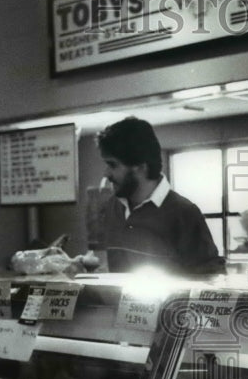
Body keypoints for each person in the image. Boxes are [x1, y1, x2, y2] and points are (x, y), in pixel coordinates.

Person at [96, 116, 225, 276]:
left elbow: (212, 279)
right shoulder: (112, 207)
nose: (106, 173)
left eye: (112, 165)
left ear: (140, 166)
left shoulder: (184, 213)